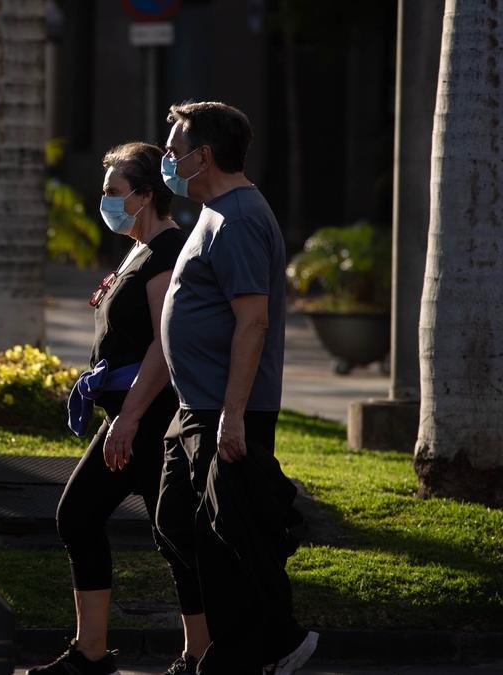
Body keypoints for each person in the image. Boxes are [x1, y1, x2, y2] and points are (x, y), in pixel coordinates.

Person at [29, 142, 206, 675]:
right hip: (130, 415)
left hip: (150, 417)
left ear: (145, 195)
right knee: (166, 532)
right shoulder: (138, 249)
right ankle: (121, 653)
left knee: (92, 518)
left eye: (112, 191)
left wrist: (128, 417)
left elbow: (162, 343)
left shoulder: (166, 251)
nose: (103, 200)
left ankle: (190, 655)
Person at [153, 101, 318, 675]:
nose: (169, 159)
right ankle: (255, 643)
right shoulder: (211, 210)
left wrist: (233, 415)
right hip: (194, 405)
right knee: (179, 525)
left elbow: (254, 322)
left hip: (225, 409)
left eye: (176, 149)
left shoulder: (241, 217)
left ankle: (266, 646)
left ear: (205, 154)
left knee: (230, 537)